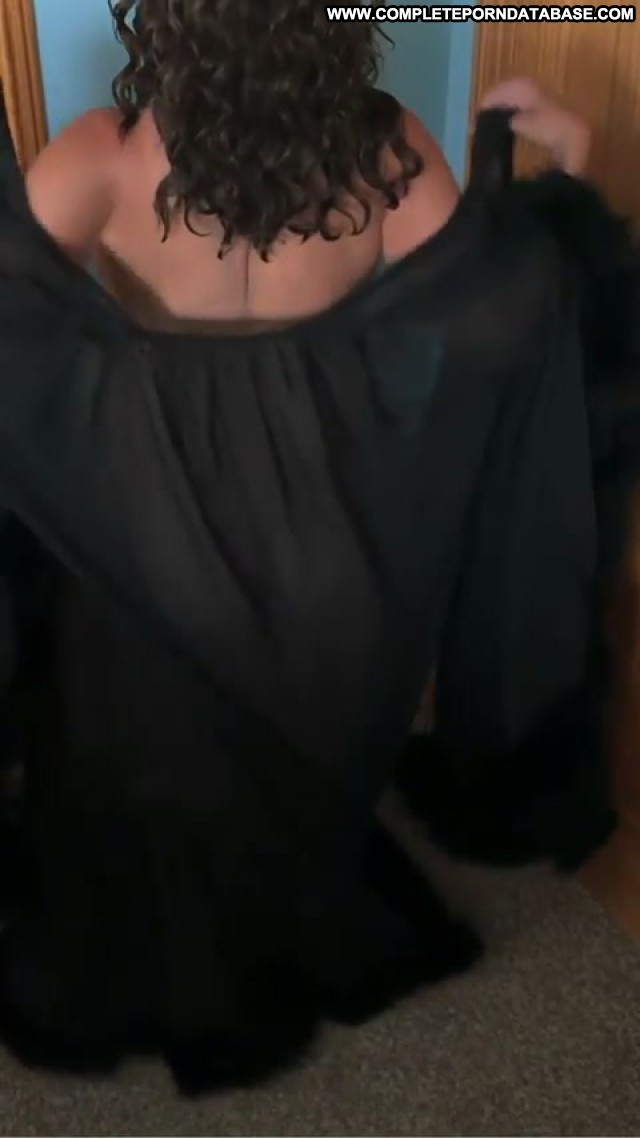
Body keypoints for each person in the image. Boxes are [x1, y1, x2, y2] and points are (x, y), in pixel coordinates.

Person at [0, 0, 622, 1097]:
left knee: (123, 723)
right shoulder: (387, 152)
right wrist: (567, 167)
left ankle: (183, 939)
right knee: (292, 739)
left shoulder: (102, 153)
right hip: (330, 555)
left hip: (152, 549)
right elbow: (499, 315)